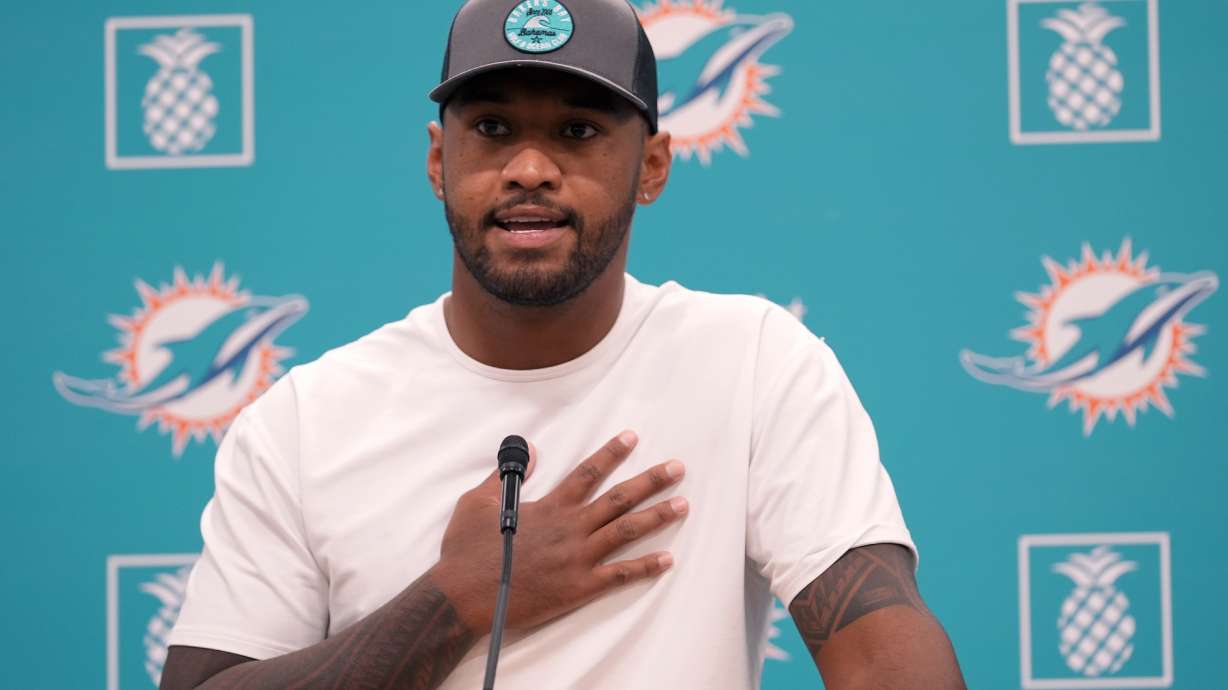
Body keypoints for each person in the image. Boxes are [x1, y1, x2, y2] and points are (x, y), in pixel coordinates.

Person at [161, 0, 966, 688]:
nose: (530, 168)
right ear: (440, 162)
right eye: (492, 128)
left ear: (651, 168)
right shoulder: (305, 421)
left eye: (578, 131)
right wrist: (455, 599)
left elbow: (878, 644)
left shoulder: (752, 361)